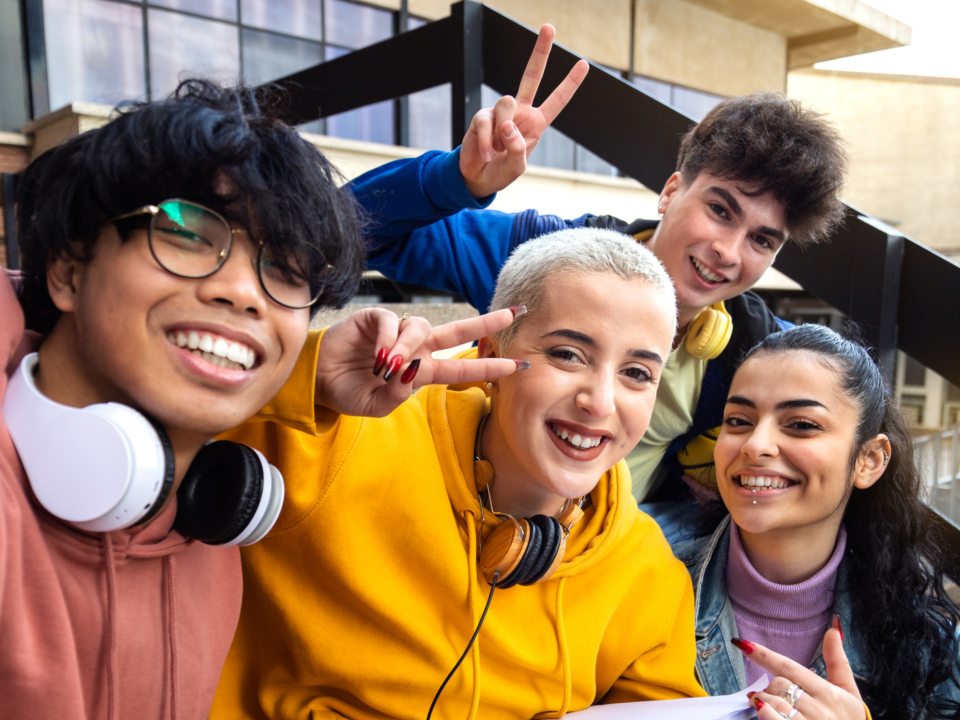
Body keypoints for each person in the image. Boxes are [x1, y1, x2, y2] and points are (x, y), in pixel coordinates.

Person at [0, 78, 517, 720]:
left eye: (286, 269)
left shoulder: (209, 539)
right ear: (68, 269)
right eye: (187, 232)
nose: (245, 291)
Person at [210, 227, 710, 718]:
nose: (600, 403)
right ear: (491, 353)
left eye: (637, 373)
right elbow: (161, 426)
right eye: (566, 354)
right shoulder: (336, 433)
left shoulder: (649, 573)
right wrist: (305, 376)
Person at [347, 25, 847, 510]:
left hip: (616, 560)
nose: (730, 252)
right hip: (464, 517)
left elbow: (851, 392)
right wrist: (456, 179)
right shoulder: (546, 256)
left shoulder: (751, 345)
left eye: (762, 239)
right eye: (720, 211)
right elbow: (349, 229)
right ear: (671, 191)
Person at [686, 324, 960, 719]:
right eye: (738, 420)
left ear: (869, 460)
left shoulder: (929, 642)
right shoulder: (646, 587)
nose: (755, 444)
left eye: (801, 425)